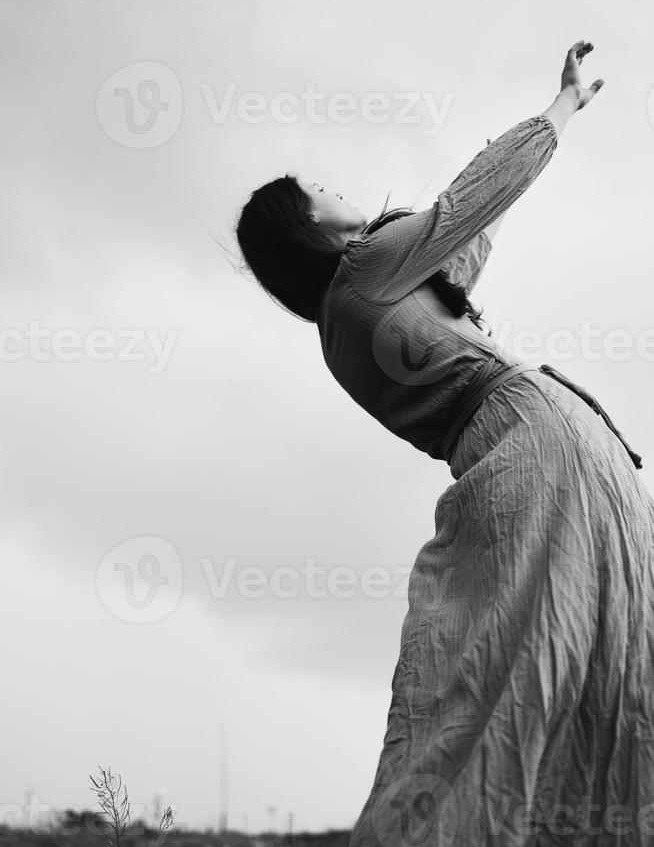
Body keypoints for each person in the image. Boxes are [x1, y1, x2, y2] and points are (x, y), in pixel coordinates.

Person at [235, 42, 654, 845]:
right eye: (318, 189)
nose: (336, 187)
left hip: (522, 449)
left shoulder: (344, 325)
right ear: (307, 224)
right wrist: (560, 108)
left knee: (522, 654)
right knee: (577, 651)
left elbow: (465, 237)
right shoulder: (365, 272)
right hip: (541, 440)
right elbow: (470, 202)